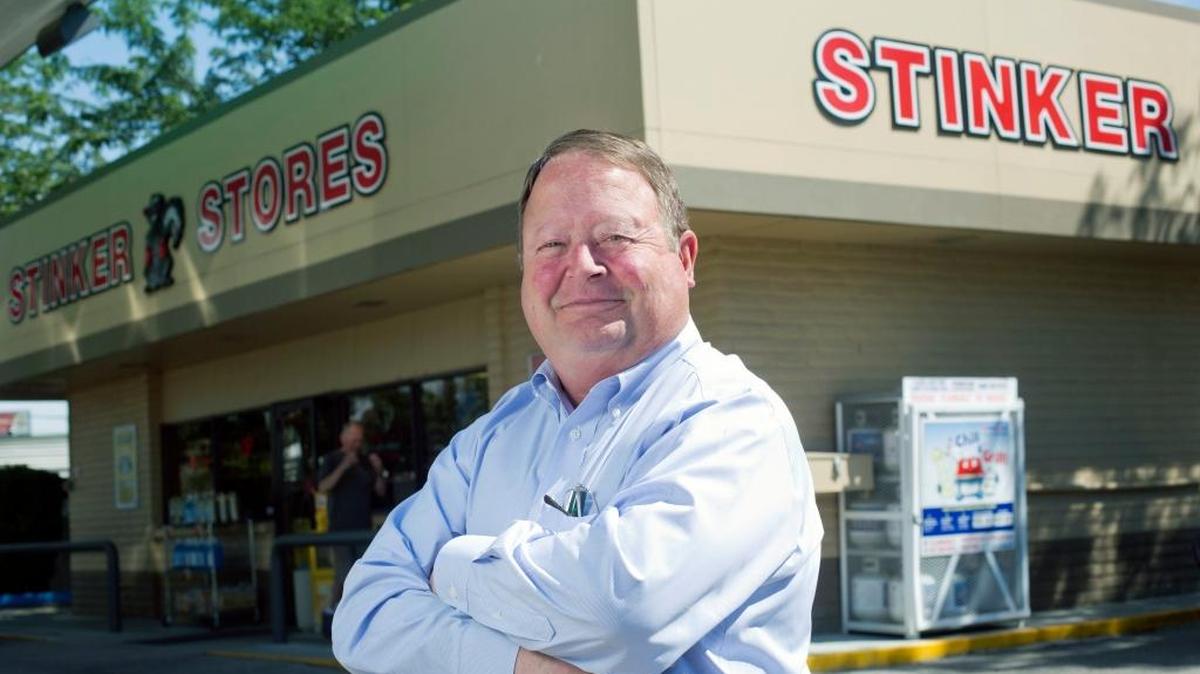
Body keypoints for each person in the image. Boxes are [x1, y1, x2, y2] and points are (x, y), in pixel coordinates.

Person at [332, 130, 823, 673]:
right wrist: (517, 666)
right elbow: (362, 616)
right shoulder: (492, 436)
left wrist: (448, 567)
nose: (582, 266)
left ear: (684, 257)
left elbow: (621, 613)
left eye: (613, 237)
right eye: (550, 245)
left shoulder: (733, 419)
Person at [317, 420, 388, 623]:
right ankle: (336, 614)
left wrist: (379, 470)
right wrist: (344, 466)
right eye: (353, 439)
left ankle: (347, 615)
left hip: (362, 527)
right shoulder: (332, 459)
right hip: (339, 527)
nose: (357, 444)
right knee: (345, 572)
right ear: (343, 438)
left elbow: (380, 491)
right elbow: (323, 487)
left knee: (361, 573)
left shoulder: (365, 461)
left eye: (360, 440)